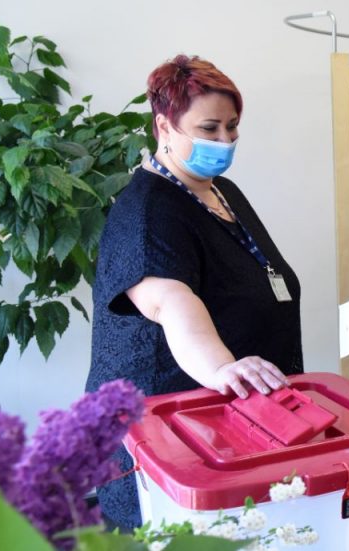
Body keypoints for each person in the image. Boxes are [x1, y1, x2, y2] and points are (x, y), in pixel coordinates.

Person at [87, 55, 303, 530]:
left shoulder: (221, 192)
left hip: (236, 421)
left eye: (232, 127)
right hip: (168, 434)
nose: (224, 141)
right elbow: (171, 301)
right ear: (164, 126)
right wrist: (223, 368)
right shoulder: (146, 212)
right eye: (209, 128)